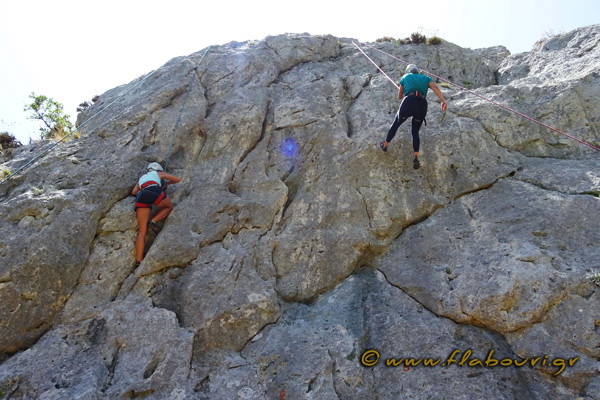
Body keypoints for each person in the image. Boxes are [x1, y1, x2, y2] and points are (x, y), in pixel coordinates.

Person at [380, 64, 448, 169]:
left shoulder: (405, 77)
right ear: (418, 72)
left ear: (408, 71)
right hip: (421, 105)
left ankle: (385, 145)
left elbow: (399, 96)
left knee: (396, 124)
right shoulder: (426, 78)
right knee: (415, 132)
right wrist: (443, 101)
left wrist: (404, 88)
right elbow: (434, 87)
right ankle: (416, 156)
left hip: (408, 102)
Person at [131, 162, 181, 262]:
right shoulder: (158, 174)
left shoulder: (142, 178)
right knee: (168, 207)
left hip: (141, 195)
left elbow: (134, 192)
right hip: (154, 190)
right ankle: (154, 220)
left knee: (142, 231)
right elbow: (177, 179)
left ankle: (139, 259)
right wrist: (165, 183)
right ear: (158, 169)